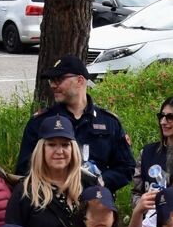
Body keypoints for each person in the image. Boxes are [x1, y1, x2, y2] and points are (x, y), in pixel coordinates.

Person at [15, 56, 136, 192]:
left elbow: (126, 167)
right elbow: (25, 169)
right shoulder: (40, 122)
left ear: (80, 81)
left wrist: (99, 182)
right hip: (53, 202)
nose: (53, 85)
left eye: (59, 79)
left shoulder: (108, 122)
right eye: (51, 81)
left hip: (96, 201)